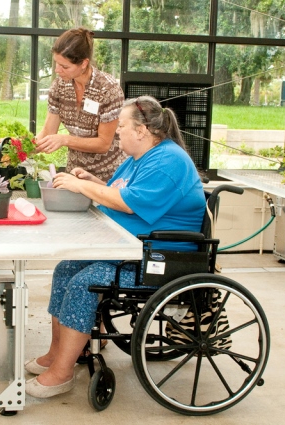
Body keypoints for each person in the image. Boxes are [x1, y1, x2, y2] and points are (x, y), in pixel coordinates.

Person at [24, 96, 206, 398]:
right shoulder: (141, 159)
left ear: (142, 130)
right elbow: (119, 192)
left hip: (158, 260)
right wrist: (93, 180)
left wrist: (81, 186)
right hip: (133, 250)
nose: (117, 131)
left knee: (86, 282)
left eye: (121, 126)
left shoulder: (168, 161)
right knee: (65, 268)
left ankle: (62, 372)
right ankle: (56, 354)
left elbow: (128, 204)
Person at [36, 27, 127, 182]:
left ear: (84, 63)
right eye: (56, 63)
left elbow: (103, 144)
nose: (58, 70)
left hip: (108, 177)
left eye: (65, 66)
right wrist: (15, 146)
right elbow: (47, 133)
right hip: (75, 175)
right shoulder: (59, 87)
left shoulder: (108, 89)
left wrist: (64, 140)